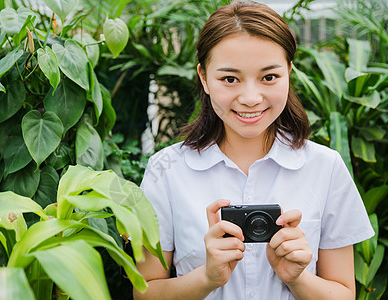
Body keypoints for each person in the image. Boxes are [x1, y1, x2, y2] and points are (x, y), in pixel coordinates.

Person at [134, 1, 374, 299]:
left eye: (269, 77)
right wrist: (207, 278)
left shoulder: (325, 167)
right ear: (204, 78)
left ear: (288, 71)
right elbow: (144, 293)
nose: (250, 97)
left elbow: (344, 293)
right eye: (230, 79)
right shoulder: (166, 170)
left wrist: (298, 279)